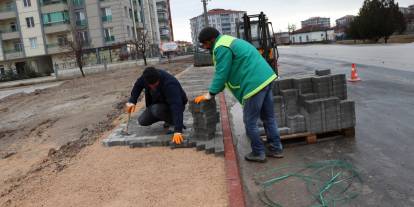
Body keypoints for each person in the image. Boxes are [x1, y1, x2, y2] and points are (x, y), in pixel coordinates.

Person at [194, 27, 283, 163]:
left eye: (205, 44)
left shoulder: (221, 47)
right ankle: (276, 149)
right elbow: (229, 71)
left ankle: (258, 152)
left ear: (211, 40)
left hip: (254, 84)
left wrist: (210, 94)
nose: (205, 47)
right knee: (268, 118)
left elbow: (222, 73)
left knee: (250, 122)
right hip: (266, 78)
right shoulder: (228, 41)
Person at [126, 67, 188, 144]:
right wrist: (132, 101)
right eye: (150, 85)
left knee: (156, 110)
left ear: (158, 78)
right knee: (142, 121)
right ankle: (167, 118)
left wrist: (178, 130)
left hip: (174, 105)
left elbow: (176, 106)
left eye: (155, 85)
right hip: (157, 105)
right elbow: (138, 85)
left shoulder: (170, 84)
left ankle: (172, 121)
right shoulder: (145, 77)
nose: (153, 87)